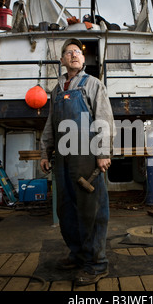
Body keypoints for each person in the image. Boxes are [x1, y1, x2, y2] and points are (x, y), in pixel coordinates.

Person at [40, 38, 114, 286]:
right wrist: (44, 152)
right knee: (67, 209)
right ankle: (78, 254)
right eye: (68, 52)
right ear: (61, 60)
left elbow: (104, 118)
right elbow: (50, 124)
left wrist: (103, 152)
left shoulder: (93, 84)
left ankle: (97, 264)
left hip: (87, 156)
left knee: (92, 209)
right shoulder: (56, 90)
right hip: (62, 157)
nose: (73, 55)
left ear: (83, 60)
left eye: (77, 52)